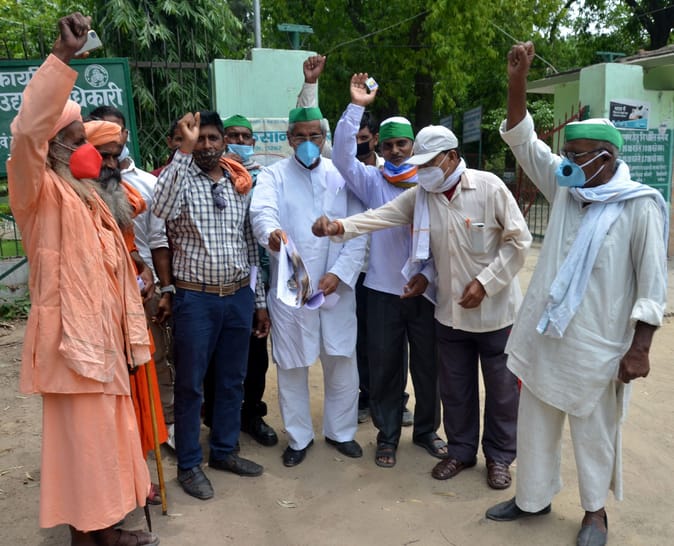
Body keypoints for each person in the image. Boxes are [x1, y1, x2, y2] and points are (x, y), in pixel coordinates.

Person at [485, 42, 668, 546]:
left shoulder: (639, 206)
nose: (565, 162)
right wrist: (517, 82)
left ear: (606, 158)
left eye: (576, 155)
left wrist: (640, 348)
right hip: (547, 336)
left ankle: (595, 513)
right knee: (535, 424)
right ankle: (532, 499)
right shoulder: (568, 188)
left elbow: (653, 285)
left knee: (594, 434)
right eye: (565, 154)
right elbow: (524, 141)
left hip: (597, 346)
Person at [313, 97, 531, 486]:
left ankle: (499, 458)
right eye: (422, 165)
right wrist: (338, 227)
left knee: (501, 392)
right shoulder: (422, 196)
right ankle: (461, 452)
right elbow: (380, 217)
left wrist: (486, 282)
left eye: (429, 164)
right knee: (456, 389)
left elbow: (519, 242)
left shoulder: (489, 187)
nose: (423, 171)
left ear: (451, 157)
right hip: (449, 312)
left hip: (496, 313)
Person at [7, 12, 158, 545]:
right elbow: (26, 131)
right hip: (70, 347)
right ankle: (89, 534)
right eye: (76, 139)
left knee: (108, 442)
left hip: (106, 342)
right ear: (52, 147)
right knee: (84, 448)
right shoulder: (37, 192)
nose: (87, 148)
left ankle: (105, 528)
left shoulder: (89, 197)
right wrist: (62, 57)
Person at [153, 110, 270, 500]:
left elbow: (249, 245)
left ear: (223, 141)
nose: (206, 145)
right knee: (191, 384)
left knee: (232, 379)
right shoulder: (180, 178)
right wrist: (182, 153)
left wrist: (258, 301)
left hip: (237, 295)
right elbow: (160, 210)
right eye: (198, 138)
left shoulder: (239, 181)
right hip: (195, 299)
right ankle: (189, 464)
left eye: (212, 138)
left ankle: (224, 450)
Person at [330, 73, 443, 468]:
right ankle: (388, 436)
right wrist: (356, 106)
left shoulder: (431, 184)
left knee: (428, 367)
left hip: (427, 291)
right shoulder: (371, 181)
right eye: (389, 145)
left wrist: (428, 276)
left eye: (402, 144)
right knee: (384, 368)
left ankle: (427, 432)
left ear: (413, 146)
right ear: (379, 146)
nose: (396, 151)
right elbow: (341, 157)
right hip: (381, 291)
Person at [250, 106, 367, 467]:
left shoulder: (341, 175)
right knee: (291, 364)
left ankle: (341, 432)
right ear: (288, 138)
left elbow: (359, 228)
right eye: (299, 135)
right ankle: (299, 437)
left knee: (342, 359)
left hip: (337, 287)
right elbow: (262, 212)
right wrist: (270, 233)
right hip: (292, 286)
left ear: (324, 137)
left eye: (314, 135)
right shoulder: (273, 175)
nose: (306, 142)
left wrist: (341, 273)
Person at [88, 106, 175, 444]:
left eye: (114, 154)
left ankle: (154, 434)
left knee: (150, 363)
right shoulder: (76, 195)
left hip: (139, 295)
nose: (110, 163)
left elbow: (144, 241)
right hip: (96, 306)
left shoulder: (134, 189)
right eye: (103, 155)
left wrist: (148, 272)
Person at [201, 114, 279, 447]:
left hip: (258, 279)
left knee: (255, 355)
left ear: (253, 142)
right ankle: (217, 419)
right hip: (215, 281)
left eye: (246, 137)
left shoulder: (264, 179)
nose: (240, 142)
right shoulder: (209, 178)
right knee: (216, 359)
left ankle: (252, 415)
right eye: (233, 136)